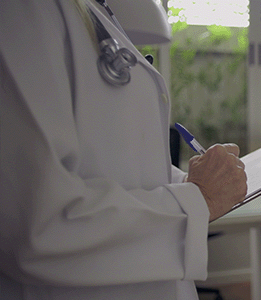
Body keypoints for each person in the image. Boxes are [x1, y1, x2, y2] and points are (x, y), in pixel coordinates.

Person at [0, 1, 247, 299]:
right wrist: (198, 199)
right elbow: (38, 224)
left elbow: (108, 157)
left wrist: (185, 182)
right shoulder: (23, 12)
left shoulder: (91, 11)